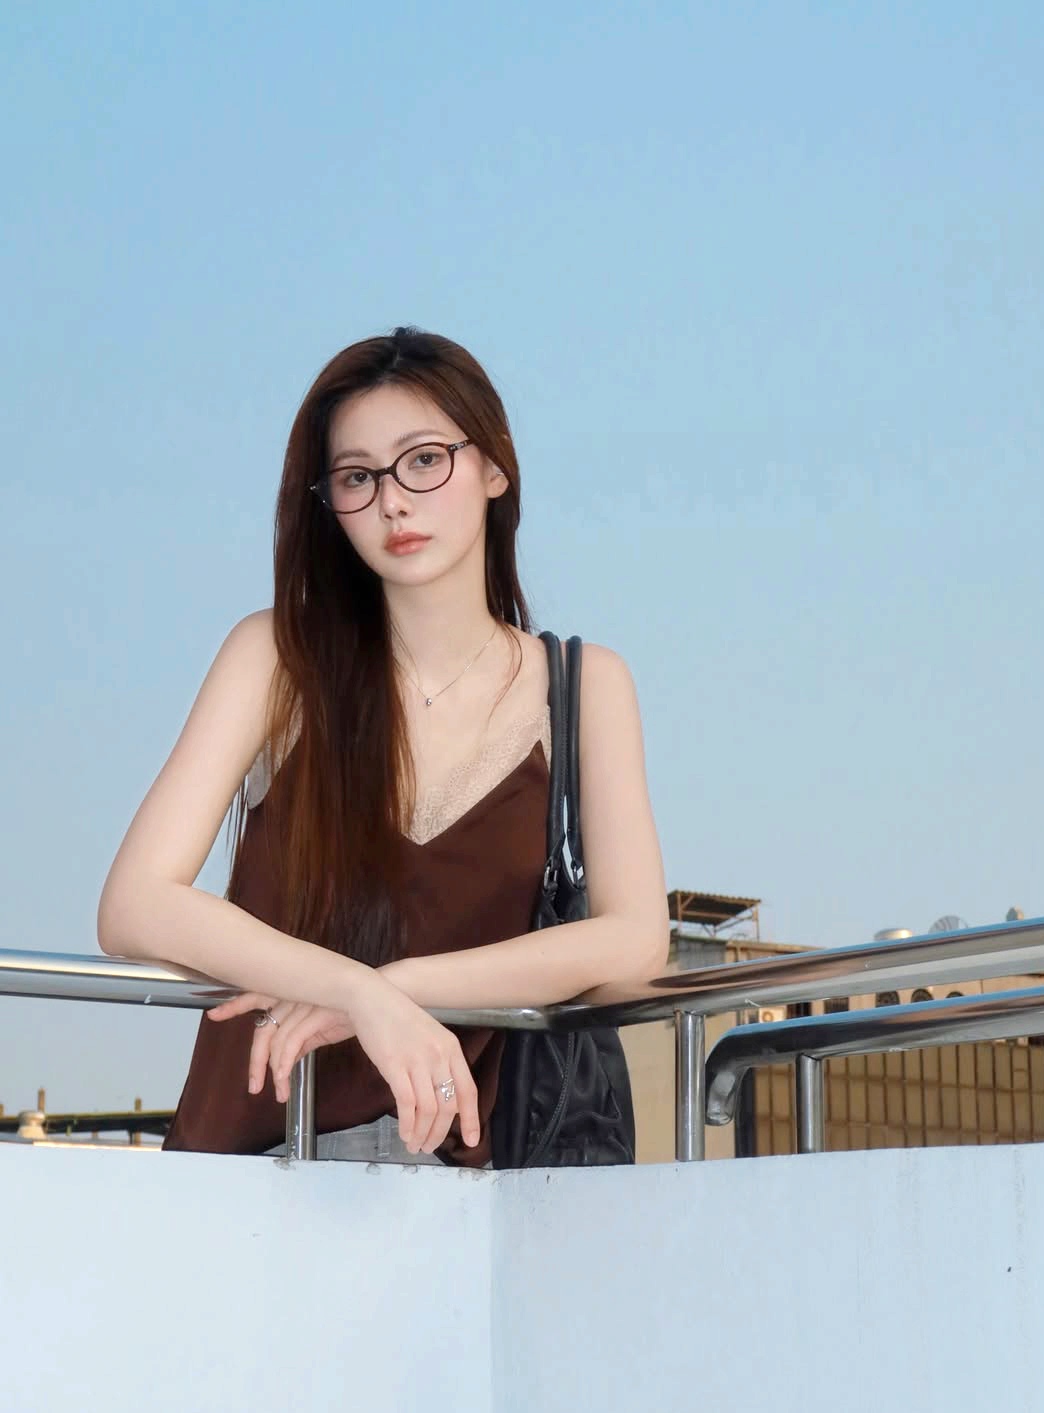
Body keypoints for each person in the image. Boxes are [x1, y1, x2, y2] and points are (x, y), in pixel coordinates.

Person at [97, 327, 670, 1168]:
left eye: (424, 460)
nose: (394, 501)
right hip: (258, 1169)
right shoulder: (277, 657)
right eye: (358, 477)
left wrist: (401, 990)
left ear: (495, 467)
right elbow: (134, 906)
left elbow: (634, 944)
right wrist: (352, 991)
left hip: (474, 1183)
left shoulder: (583, 685)